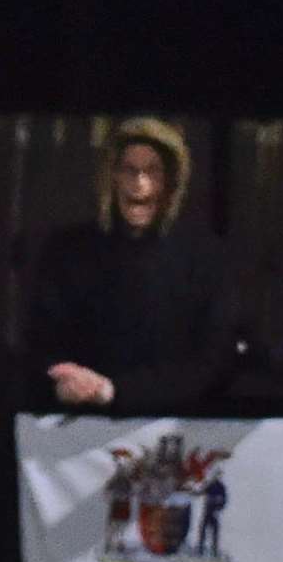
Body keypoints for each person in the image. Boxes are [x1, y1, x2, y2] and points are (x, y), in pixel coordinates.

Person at [27, 117, 236, 413]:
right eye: (129, 170)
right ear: (111, 177)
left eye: (152, 170)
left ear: (170, 182)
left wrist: (115, 391)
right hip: (79, 429)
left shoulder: (204, 257)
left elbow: (212, 359)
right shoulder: (69, 251)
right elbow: (41, 341)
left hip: (177, 428)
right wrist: (62, 379)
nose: (140, 183)